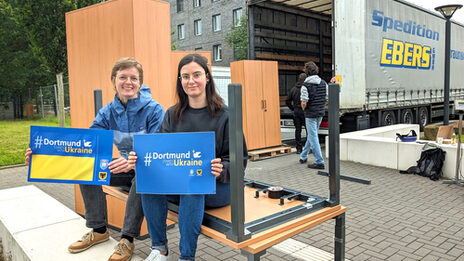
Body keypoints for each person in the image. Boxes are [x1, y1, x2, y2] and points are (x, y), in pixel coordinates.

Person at [25, 57, 165, 261]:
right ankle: (99, 230)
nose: (128, 82)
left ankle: (126, 239)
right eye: (122, 77)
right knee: (86, 167)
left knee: (141, 177)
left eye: (134, 78)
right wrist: (41, 154)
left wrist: (134, 161)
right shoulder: (108, 112)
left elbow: (158, 149)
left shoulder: (154, 110)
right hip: (125, 168)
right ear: (113, 80)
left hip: (150, 170)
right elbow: (86, 145)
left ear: (140, 83)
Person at [128, 53, 248, 261]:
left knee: (193, 184)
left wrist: (222, 168)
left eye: (196, 75)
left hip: (217, 186)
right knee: (146, 180)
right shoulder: (172, 114)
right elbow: (159, 153)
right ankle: (160, 249)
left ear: (207, 78)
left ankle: (186, 256)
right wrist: (140, 158)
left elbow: (240, 160)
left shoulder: (226, 116)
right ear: (180, 81)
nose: (191, 81)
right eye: (185, 76)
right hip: (180, 184)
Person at [299, 61, 327, 169]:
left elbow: (304, 102)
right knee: (312, 135)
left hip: (310, 114)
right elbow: (327, 98)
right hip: (320, 112)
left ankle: (319, 161)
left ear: (307, 72)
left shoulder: (305, 85)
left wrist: (304, 108)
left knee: (313, 136)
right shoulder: (323, 83)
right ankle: (303, 156)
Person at [285, 73, 307, 154]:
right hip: (305, 111)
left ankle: (298, 148)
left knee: (298, 130)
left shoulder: (293, 89)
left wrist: (292, 108)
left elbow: (287, 101)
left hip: (296, 111)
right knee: (309, 130)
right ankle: (309, 148)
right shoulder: (305, 89)